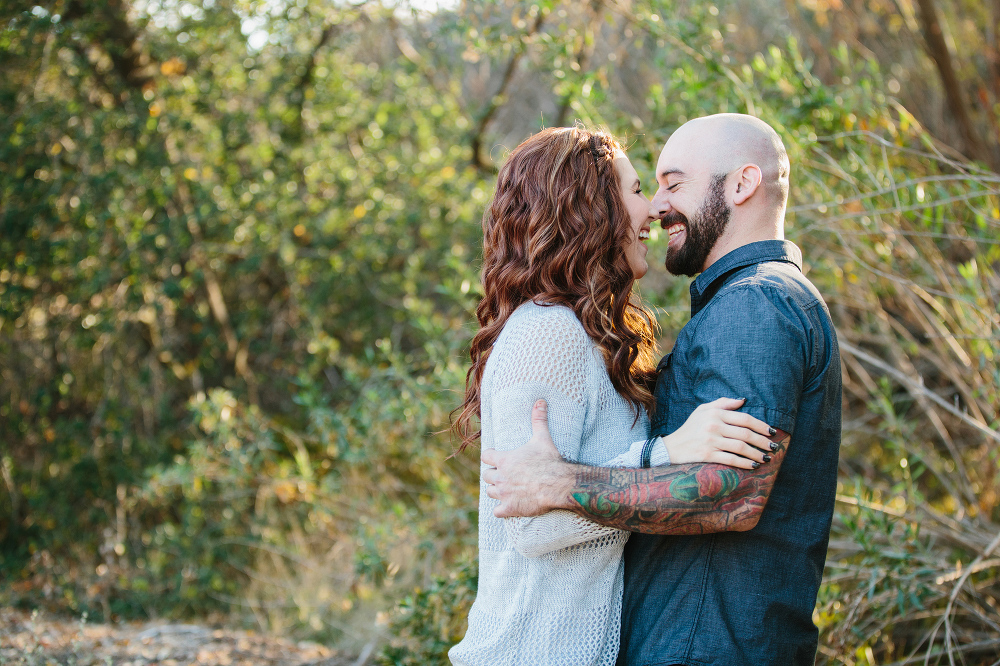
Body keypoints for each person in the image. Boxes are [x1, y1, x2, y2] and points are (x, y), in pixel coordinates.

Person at [482, 114, 843, 666]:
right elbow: (525, 516)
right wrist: (664, 452)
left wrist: (565, 482)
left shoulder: (756, 304)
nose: (657, 204)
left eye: (673, 184)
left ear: (742, 185)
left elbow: (733, 493)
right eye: (645, 188)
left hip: (704, 644)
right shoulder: (558, 330)